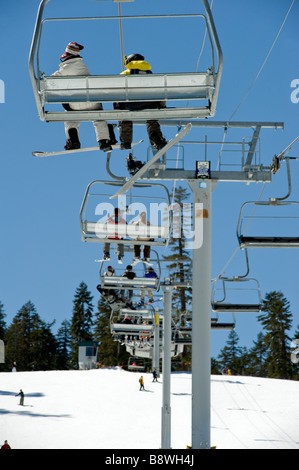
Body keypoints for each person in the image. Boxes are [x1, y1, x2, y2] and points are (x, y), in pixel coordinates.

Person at [52, 42, 116, 152]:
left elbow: (51, 82)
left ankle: (73, 141)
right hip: (92, 102)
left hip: (75, 105)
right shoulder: (82, 66)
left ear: (67, 55)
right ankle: (104, 140)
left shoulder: (66, 68)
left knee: (70, 118)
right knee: (99, 117)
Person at [114, 54, 167, 151]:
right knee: (152, 120)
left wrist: (117, 107)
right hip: (149, 104)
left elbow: (116, 91)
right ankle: (156, 139)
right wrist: (161, 106)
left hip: (129, 104)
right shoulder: (150, 74)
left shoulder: (126, 73)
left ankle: (126, 141)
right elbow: (161, 90)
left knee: (125, 119)